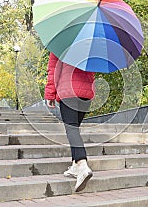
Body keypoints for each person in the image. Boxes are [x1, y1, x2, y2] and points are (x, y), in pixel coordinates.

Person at [44, 52, 95, 192]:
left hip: (68, 91)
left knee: (71, 128)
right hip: (87, 93)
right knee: (75, 129)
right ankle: (74, 167)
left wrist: (50, 94)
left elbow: (54, 69)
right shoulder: (90, 42)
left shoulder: (61, 42)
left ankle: (82, 164)